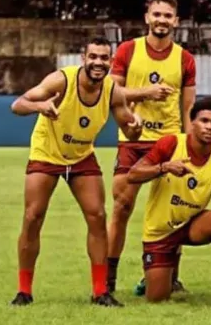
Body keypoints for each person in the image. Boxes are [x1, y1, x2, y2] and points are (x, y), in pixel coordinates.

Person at [10, 37, 143, 306]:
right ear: (83, 59)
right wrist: (40, 106)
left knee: (97, 215)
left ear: (110, 61)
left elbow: (128, 128)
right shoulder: (62, 80)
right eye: (93, 56)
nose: (98, 62)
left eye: (104, 58)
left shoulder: (113, 91)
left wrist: (136, 128)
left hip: (81, 156)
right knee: (33, 216)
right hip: (47, 152)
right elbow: (18, 105)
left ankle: (99, 292)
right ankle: (24, 291)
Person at [126, 97, 211, 311]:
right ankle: (151, 277)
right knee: (158, 299)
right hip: (159, 231)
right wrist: (164, 167)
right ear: (192, 122)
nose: (209, 127)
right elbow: (132, 175)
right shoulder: (170, 144)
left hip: (191, 224)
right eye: (204, 120)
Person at [107, 0, 198, 295]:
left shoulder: (185, 58)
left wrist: (189, 141)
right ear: (147, 17)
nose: (161, 20)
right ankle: (107, 279)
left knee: (174, 212)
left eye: (167, 15)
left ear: (176, 21)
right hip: (132, 140)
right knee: (121, 207)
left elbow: (188, 108)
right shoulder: (127, 50)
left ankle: (169, 276)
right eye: (156, 14)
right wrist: (145, 93)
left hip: (170, 140)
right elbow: (112, 92)